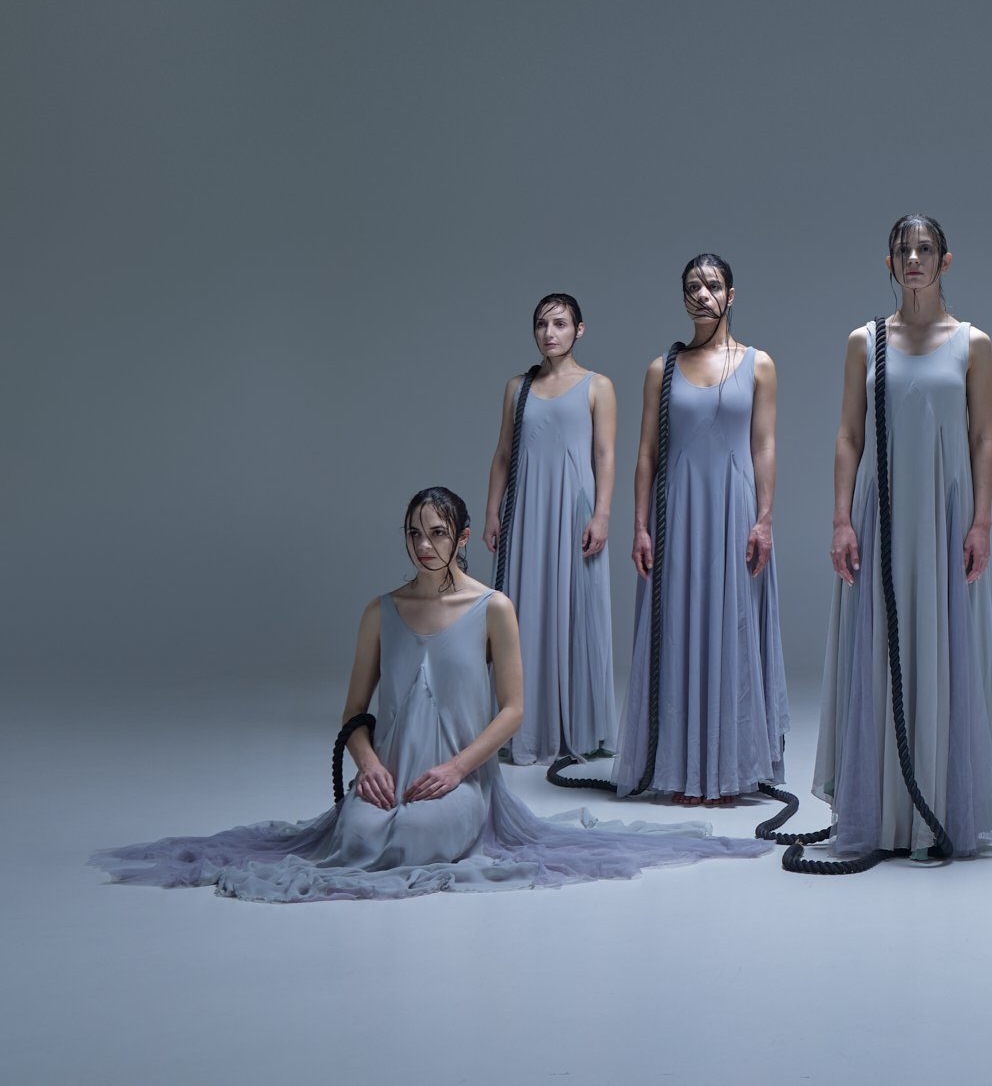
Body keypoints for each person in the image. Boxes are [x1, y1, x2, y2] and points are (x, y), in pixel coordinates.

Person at [89, 489, 769, 901]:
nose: (424, 544)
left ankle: (448, 811)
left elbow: (514, 710)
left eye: (438, 532)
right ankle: (379, 809)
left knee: (417, 841)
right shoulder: (379, 609)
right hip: (390, 775)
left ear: (463, 537)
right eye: (414, 532)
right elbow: (354, 713)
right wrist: (368, 765)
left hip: (458, 779)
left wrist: (456, 769)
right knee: (356, 838)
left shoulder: (493, 607)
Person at [814, 214, 992, 860]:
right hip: (883, 512)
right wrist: (842, 519)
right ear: (889, 263)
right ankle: (882, 815)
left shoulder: (973, 342)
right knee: (878, 648)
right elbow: (848, 435)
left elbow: (983, 436)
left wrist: (982, 521)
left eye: (925, 248)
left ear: (945, 261)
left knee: (945, 646)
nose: (914, 258)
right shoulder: (864, 341)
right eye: (903, 249)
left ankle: (937, 810)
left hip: (946, 513)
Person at [615, 255, 788, 808]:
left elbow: (764, 445)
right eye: (692, 286)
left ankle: (727, 768)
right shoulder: (660, 369)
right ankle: (681, 768)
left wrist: (764, 518)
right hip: (678, 514)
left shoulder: (759, 364)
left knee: (732, 628)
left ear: (731, 295)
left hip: (734, 511)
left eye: (712, 285)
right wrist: (639, 526)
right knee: (679, 627)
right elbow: (646, 454)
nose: (702, 294)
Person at [481, 293, 617, 764]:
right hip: (526, 511)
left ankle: (580, 728)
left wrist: (602, 514)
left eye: (560, 323)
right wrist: (493, 511)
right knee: (522, 612)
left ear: (579, 330)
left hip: (574, 513)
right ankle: (523, 727)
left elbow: (605, 456)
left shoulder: (598, 385)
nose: (549, 333)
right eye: (541, 324)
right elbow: (503, 453)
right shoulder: (516, 387)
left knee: (580, 612)